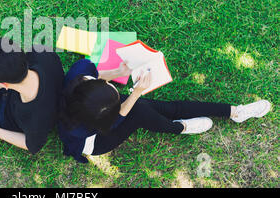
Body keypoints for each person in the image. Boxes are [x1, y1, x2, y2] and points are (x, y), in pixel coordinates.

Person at [58, 58, 272, 163]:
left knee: (162, 107)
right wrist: (135, 94)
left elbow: (99, 78)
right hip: (96, 140)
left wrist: (120, 72)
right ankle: (178, 128)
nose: (115, 86)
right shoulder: (79, 130)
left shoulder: (80, 72)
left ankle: (235, 111)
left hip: (97, 112)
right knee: (139, 111)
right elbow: (115, 121)